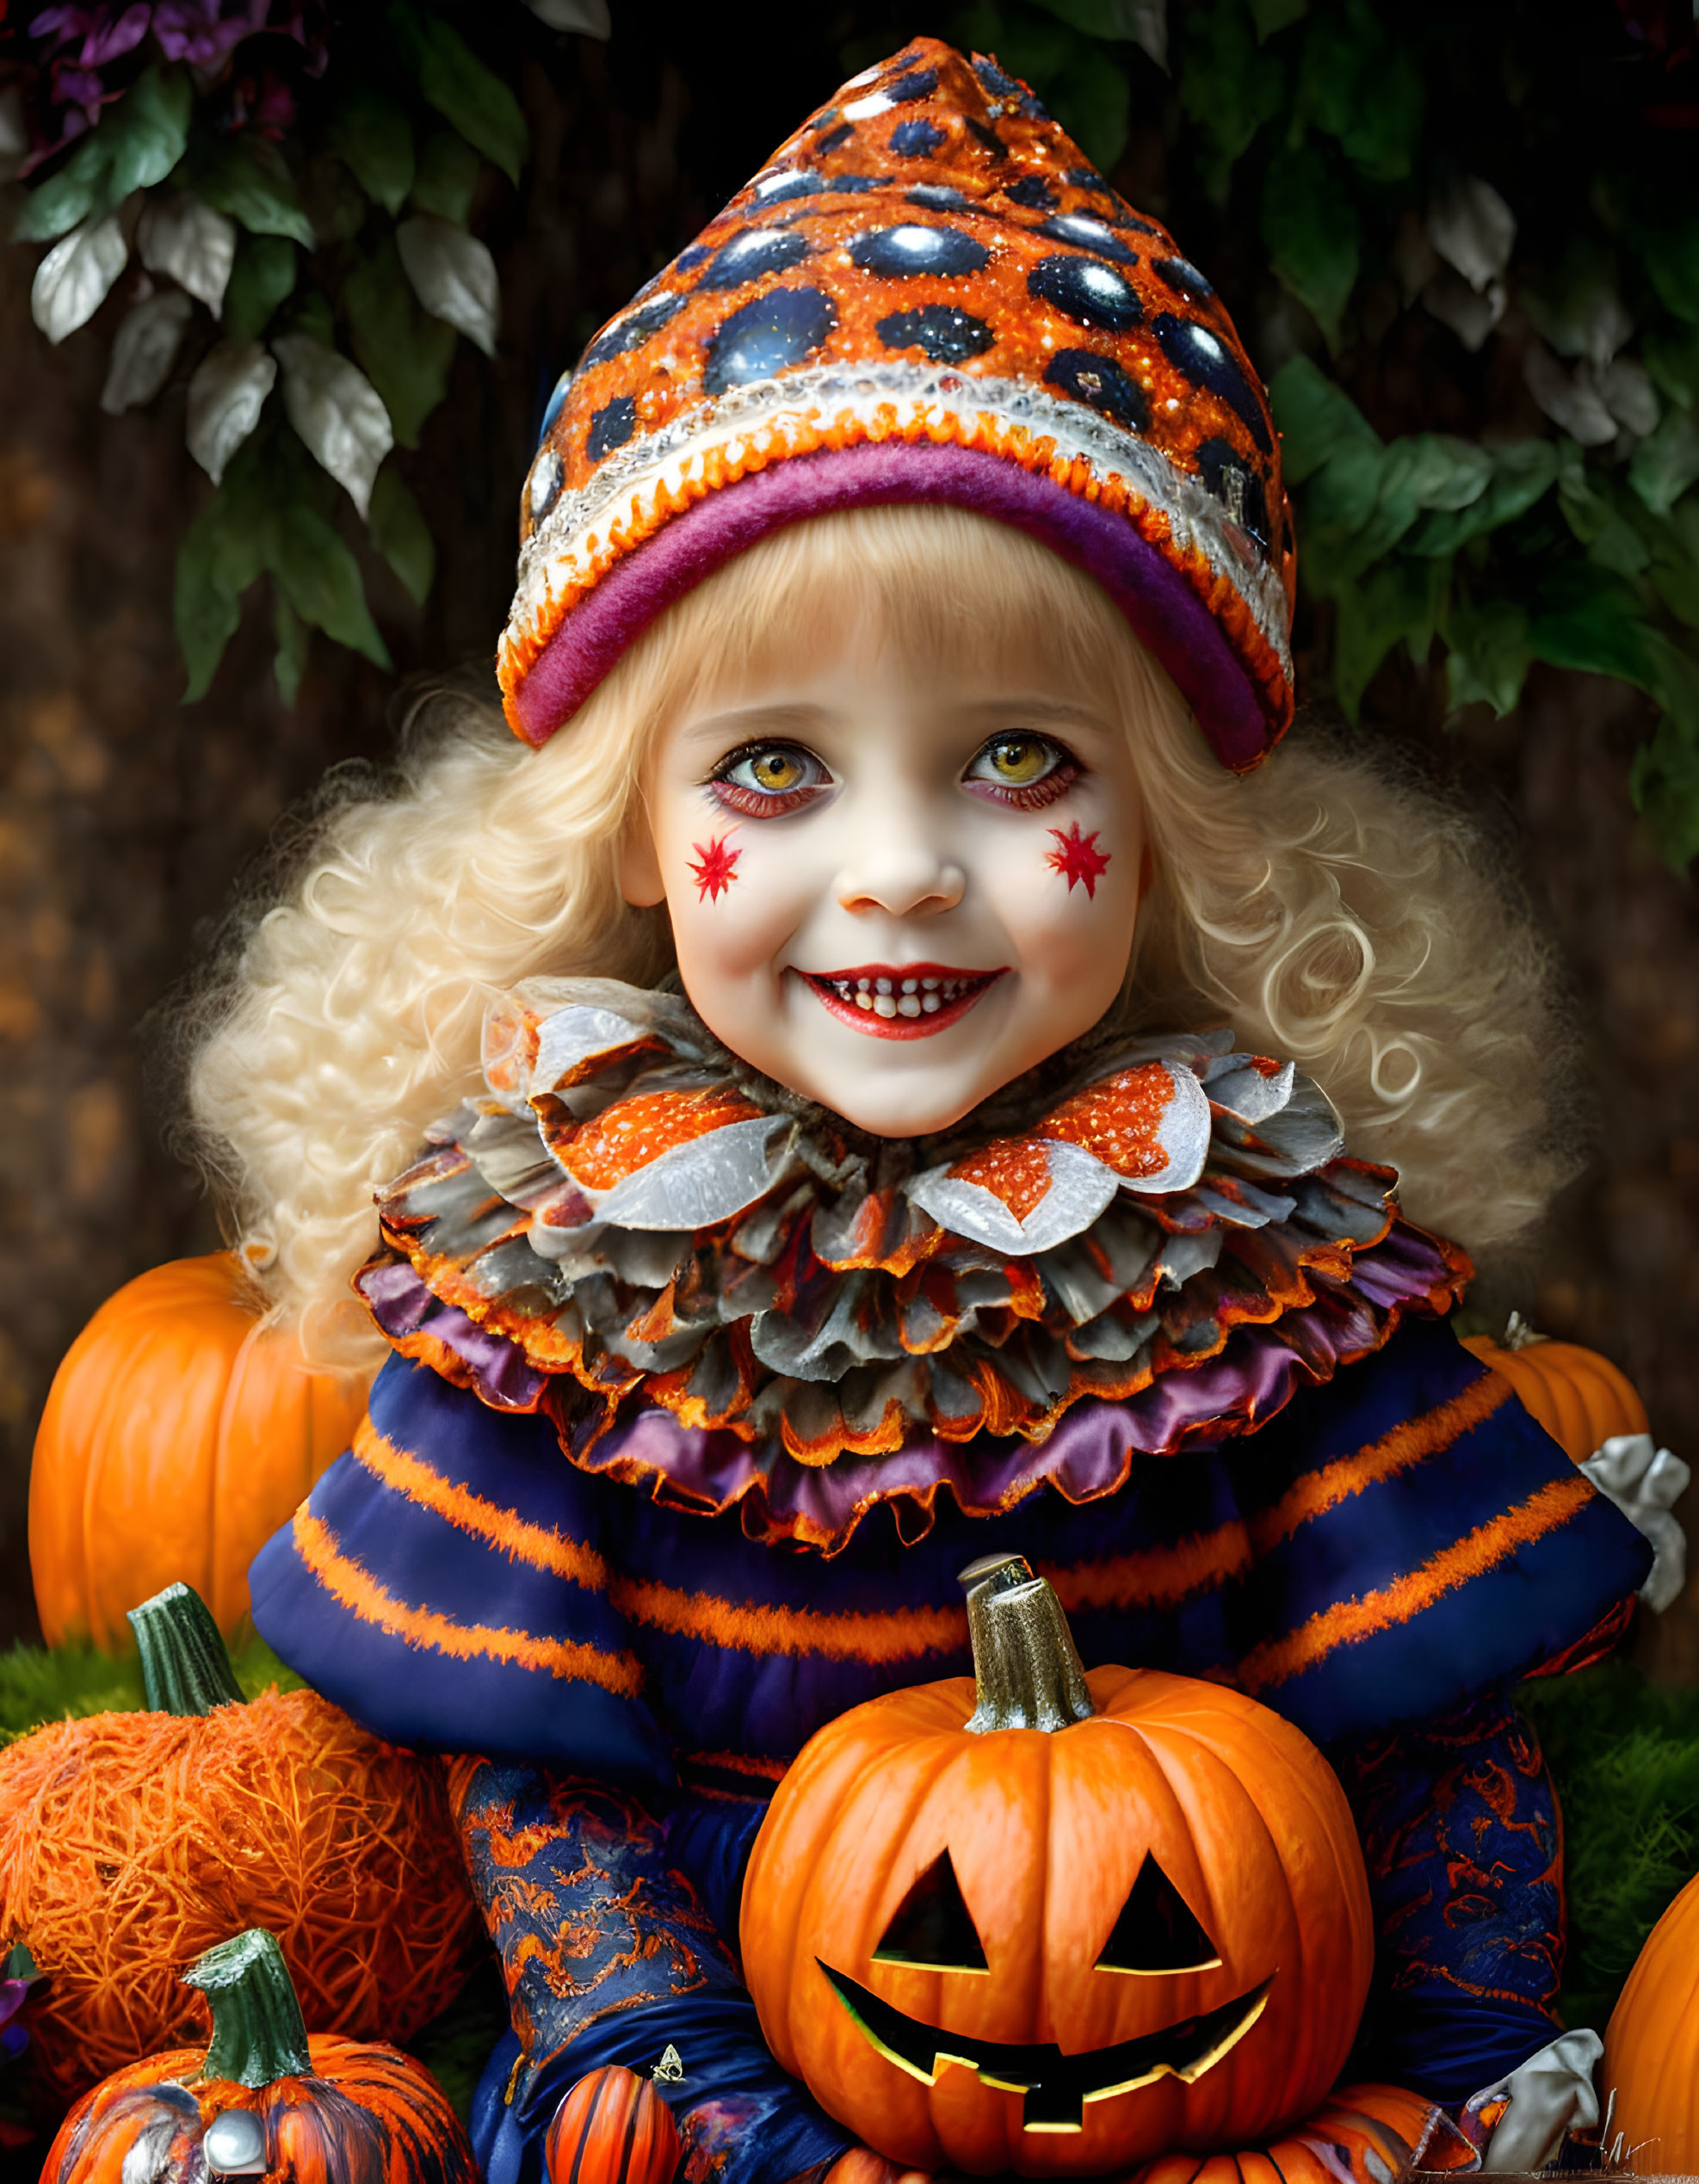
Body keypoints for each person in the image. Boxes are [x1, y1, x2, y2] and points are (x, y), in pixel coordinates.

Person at [183, 38, 1653, 2184]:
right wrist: (690, 2089)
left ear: (1167, 836)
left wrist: (1457, 2064)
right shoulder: (560, 1279)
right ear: (617, 837)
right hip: (711, 2079)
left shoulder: (1258, 1261)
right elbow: (542, 1791)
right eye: (774, 769)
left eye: (1017, 762)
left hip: (1217, 2070)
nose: (895, 869)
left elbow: (1443, 1745)